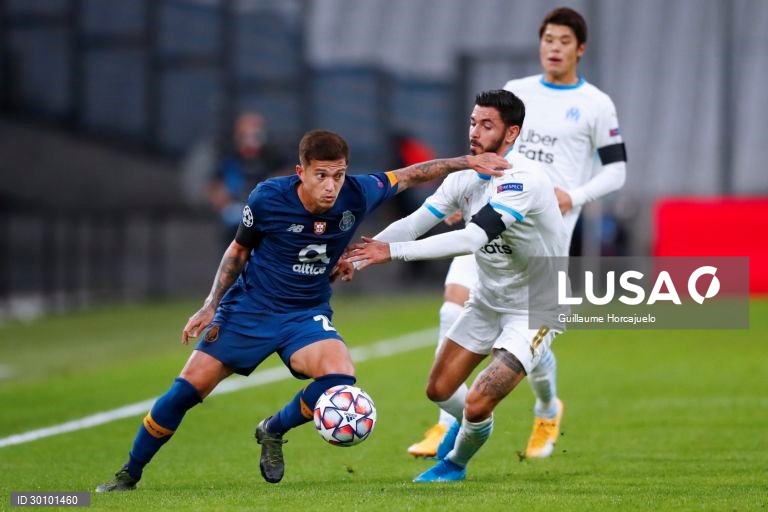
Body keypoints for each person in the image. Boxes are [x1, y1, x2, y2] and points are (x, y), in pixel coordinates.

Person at [94, 130, 509, 492]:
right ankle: (129, 473)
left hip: (304, 314)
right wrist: (210, 304)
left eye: (338, 174)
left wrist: (468, 161)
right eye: (322, 175)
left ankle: (273, 429)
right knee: (185, 391)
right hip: (249, 310)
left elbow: (415, 173)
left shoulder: (358, 191)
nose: (331, 186)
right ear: (302, 172)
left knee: (340, 378)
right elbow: (238, 250)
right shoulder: (268, 198)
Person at [406, 6, 627, 459]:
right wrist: (463, 197)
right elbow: (489, 152)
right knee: (453, 309)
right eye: (548, 39)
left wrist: (577, 194)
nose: (554, 48)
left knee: (524, 330)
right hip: (490, 216)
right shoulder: (516, 93)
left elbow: (617, 171)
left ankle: (547, 406)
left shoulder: (596, 104)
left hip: (542, 231)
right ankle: (450, 421)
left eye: (565, 41)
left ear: (580, 49)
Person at [348, 89, 568, 482]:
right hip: (488, 300)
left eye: (487, 125)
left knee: (479, 399)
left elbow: (471, 240)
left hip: (536, 306)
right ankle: (474, 424)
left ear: (511, 133)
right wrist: (362, 253)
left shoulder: (523, 181)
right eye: (472, 122)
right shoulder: (464, 178)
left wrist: (392, 252)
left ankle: (455, 464)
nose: (475, 132)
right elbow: (415, 223)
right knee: (438, 389)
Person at [208, 112, 290, 248]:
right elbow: (215, 188)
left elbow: (287, 182)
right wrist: (224, 204)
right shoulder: (227, 158)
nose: (250, 139)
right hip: (235, 219)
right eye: (245, 135)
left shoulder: (274, 158)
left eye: (255, 134)